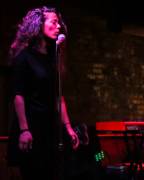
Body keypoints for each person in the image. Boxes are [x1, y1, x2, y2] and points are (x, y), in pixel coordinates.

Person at [7, 6, 79, 180]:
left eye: (59, 23)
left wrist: (68, 127)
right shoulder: (24, 57)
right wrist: (24, 129)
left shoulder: (52, 58)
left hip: (50, 129)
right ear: (38, 25)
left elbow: (58, 97)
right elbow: (18, 96)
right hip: (32, 127)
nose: (59, 26)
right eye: (54, 22)